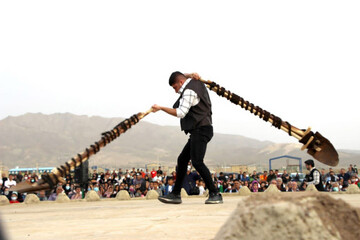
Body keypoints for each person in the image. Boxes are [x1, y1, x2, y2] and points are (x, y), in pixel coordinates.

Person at [152, 71, 222, 204]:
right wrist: (189, 74)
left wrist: (161, 108)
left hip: (201, 130)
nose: (175, 91)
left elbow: (181, 112)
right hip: (199, 130)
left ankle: (215, 193)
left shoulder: (189, 91)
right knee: (182, 159)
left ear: (181, 83)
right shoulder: (196, 83)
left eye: (175, 87)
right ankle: (176, 194)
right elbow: (182, 76)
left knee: (197, 162)